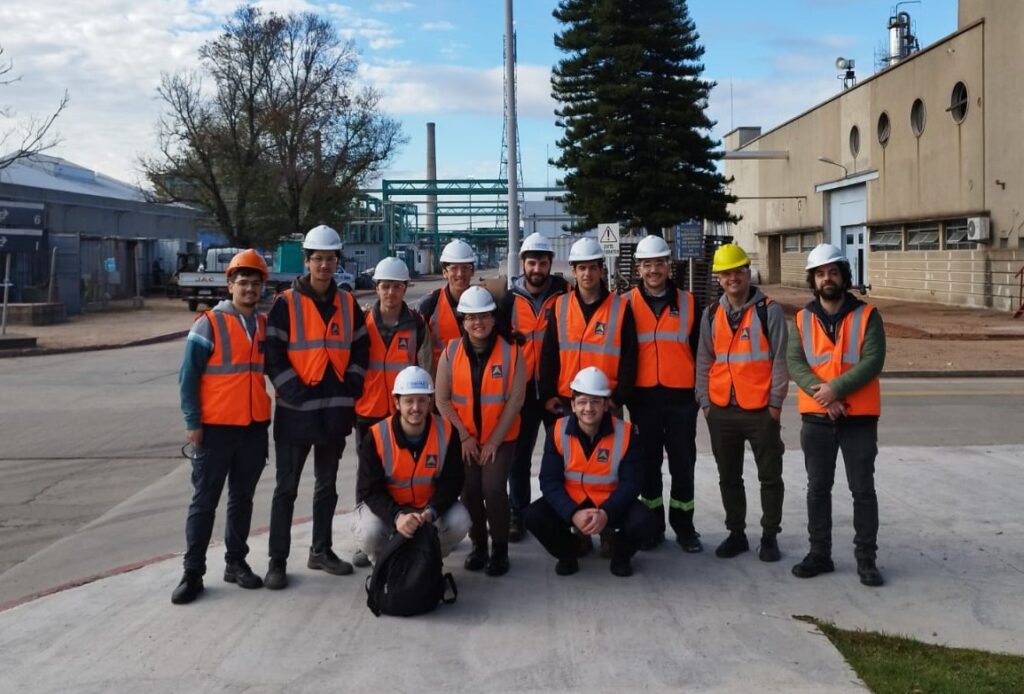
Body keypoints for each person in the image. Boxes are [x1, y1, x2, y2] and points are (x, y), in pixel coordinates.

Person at [263, 224, 369, 590]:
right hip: (296, 413)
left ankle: (320, 551)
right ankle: (277, 561)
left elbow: (361, 349)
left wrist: (350, 386)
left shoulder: (347, 303)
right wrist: (295, 392)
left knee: (327, 486)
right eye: (318, 259)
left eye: (330, 259)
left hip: (334, 412)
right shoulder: (286, 304)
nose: (324, 265)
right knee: (286, 489)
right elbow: (273, 355)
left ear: (338, 261)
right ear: (306, 261)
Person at [172, 249, 271, 604]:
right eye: (243, 282)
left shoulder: (262, 325)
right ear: (229, 285)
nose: (249, 289)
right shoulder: (209, 324)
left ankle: (236, 562)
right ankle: (192, 573)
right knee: (204, 502)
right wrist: (192, 422)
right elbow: (188, 377)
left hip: (253, 427)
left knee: (242, 499)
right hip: (215, 429)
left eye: (255, 283)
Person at [788, 244, 886, 587]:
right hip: (817, 418)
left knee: (862, 490)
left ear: (844, 276)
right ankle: (820, 554)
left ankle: (866, 560)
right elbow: (795, 362)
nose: (826, 279)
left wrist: (835, 390)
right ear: (813, 280)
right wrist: (824, 396)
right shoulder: (802, 319)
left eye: (832, 272)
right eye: (820, 274)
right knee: (817, 489)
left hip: (858, 418)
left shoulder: (867, 315)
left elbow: (873, 360)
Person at [538, 235, 637, 557]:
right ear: (573, 270)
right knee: (574, 472)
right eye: (581, 268)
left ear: (601, 270)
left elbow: (630, 356)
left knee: (608, 472)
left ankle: (607, 528)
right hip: (570, 402)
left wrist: (618, 397)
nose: (587, 274)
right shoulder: (560, 306)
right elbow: (549, 352)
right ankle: (579, 529)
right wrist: (547, 394)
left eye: (592, 268)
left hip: (605, 401)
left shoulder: (620, 307)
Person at [695, 243, 788, 563]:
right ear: (718, 279)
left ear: (748, 273)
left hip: (760, 410)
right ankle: (736, 533)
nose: (732, 278)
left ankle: (769, 536)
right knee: (729, 477)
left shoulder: (769, 310)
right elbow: (704, 360)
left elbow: (780, 359)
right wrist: (706, 403)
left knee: (770, 477)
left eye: (738, 271)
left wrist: (774, 404)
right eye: (725, 274)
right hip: (721, 410)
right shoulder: (711, 313)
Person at [525, 366, 656, 577]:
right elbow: (549, 481)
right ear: (573, 405)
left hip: (610, 504)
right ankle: (569, 552)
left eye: (595, 401)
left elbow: (632, 483)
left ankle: (620, 555)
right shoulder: (557, 431)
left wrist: (606, 512)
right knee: (534, 516)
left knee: (645, 521)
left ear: (605, 404)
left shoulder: (626, 433)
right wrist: (572, 513)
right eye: (582, 402)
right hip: (573, 502)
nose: (588, 408)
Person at [435, 285, 525, 576]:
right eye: (471, 317)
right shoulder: (450, 353)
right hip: (466, 439)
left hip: (501, 437)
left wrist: (494, 442)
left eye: (484, 316)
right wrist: (463, 436)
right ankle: (479, 545)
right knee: (470, 491)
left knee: (494, 489)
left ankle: (500, 549)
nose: (478, 322)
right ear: (463, 321)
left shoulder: (512, 353)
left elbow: (515, 401)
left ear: (493, 318)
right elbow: (442, 400)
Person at [350, 256, 430, 568]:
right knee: (367, 477)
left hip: (404, 414)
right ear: (377, 288)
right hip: (368, 411)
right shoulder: (361, 323)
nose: (390, 292)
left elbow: (425, 367)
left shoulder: (417, 324)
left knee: (404, 472)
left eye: (397, 287)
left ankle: (406, 530)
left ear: (405, 288)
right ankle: (366, 538)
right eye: (385, 286)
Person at [626, 234, 703, 553]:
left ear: (669, 266)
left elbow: (701, 351)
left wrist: (700, 392)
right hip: (643, 399)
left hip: (682, 399)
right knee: (648, 465)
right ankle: (653, 526)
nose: (653, 270)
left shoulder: (690, 303)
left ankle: (684, 527)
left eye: (659, 263)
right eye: (647, 264)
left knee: (683, 465)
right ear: (638, 269)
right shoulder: (625, 304)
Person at [352, 366, 471, 564]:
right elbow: (369, 490)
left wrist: (431, 512)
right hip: (390, 509)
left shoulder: (447, 431)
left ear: (430, 401)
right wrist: (396, 516)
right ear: (397, 402)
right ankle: (383, 566)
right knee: (369, 531)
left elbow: (453, 481)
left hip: (427, 508)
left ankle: (428, 561)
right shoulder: (376, 436)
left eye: (421, 400)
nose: (416, 407)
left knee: (460, 521)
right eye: (409, 401)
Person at [499, 232, 569, 542]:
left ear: (550, 263)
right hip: (522, 393)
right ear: (523, 264)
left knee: (563, 457)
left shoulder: (566, 294)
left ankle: (563, 512)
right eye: (531, 263)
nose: (536, 269)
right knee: (519, 459)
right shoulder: (509, 300)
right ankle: (519, 513)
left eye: (542, 262)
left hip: (557, 392)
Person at [418, 238, 476, 369]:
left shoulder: (484, 303)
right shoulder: (429, 305)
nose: (460, 274)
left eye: (465, 268)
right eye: (454, 268)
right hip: (441, 377)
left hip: (475, 377)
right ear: (445, 272)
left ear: (472, 271)